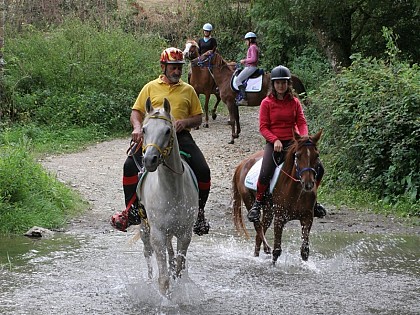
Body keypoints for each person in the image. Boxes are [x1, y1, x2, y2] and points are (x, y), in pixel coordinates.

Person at [111, 47, 211, 236]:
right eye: (173, 67)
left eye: (179, 67)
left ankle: (199, 213)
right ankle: (131, 211)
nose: (177, 71)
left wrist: (185, 122)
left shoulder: (188, 90)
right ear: (163, 67)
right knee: (129, 166)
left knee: (203, 170)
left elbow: (198, 117)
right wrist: (137, 128)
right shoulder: (150, 87)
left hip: (180, 136)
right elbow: (136, 112)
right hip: (153, 137)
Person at [247, 65, 326, 223]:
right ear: (273, 85)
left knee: (320, 168)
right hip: (274, 142)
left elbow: (301, 122)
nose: (281, 86)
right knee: (266, 171)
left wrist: (303, 138)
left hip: (293, 142)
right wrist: (274, 139)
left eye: (283, 83)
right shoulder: (266, 103)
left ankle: (313, 202)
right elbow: (263, 127)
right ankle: (258, 203)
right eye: (278, 83)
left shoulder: (295, 102)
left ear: (288, 84)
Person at [236, 31, 259, 106]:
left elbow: (254, 59)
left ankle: (244, 99)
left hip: (251, 67)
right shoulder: (253, 47)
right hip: (249, 66)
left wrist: (244, 60)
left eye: (246, 40)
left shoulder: (252, 47)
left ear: (250, 40)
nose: (245, 42)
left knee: (238, 80)